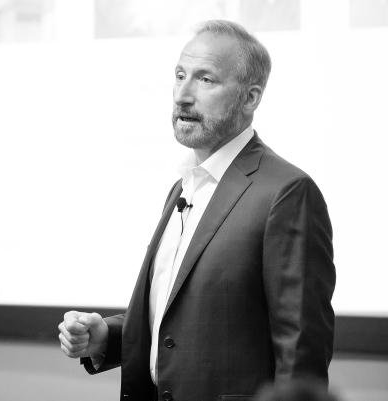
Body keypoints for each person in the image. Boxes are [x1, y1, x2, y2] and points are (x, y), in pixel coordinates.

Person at [58, 20, 336, 401]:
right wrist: (107, 336)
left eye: (205, 79)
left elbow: (301, 351)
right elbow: (180, 322)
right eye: (180, 76)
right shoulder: (184, 186)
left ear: (250, 98)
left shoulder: (286, 193)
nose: (183, 95)